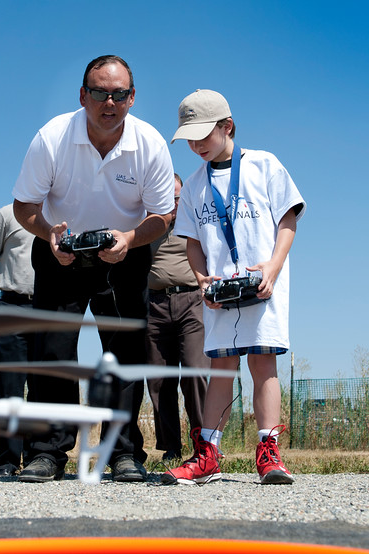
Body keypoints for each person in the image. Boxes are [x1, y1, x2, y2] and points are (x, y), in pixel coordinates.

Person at [11, 55, 175, 483]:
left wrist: (130, 239)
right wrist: (48, 233)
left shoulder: (151, 144)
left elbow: (161, 216)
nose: (110, 102)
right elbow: (24, 207)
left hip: (124, 253)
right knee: (53, 353)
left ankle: (122, 452)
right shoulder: (51, 137)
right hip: (60, 248)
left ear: (132, 98)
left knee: (124, 354)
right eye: (100, 92)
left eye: (119, 94)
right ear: (82, 95)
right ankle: (47, 451)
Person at [162, 89, 305, 485]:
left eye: (202, 135)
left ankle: (269, 453)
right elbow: (192, 240)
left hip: (262, 286)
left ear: (227, 126)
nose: (195, 145)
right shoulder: (193, 185)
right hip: (219, 292)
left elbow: (288, 219)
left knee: (262, 363)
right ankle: (208, 454)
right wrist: (201, 277)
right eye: (188, 138)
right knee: (221, 367)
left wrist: (273, 268)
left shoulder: (263, 165)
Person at [147, 173, 209, 462]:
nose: (172, 203)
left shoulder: (195, 222)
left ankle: (204, 444)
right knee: (160, 379)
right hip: (155, 305)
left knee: (196, 372)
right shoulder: (146, 225)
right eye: (165, 198)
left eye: (176, 197)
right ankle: (171, 446)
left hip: (192, 302)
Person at [0, 203, 35, 478]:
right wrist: (12, 281)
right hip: (12, 307)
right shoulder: (5, 215)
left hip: (50, 310)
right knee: (9, 388)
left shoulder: (63, 215)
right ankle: (7, 461)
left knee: (44, 389)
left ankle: (40, 458)